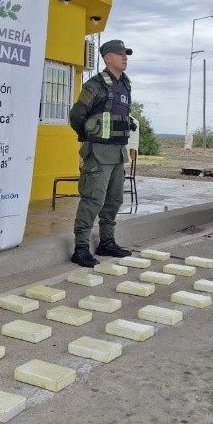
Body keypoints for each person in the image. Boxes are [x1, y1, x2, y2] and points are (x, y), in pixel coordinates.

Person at [68, 39, 137, 267]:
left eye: (126, 53)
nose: (125, 57)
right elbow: (77, 115)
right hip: (98, 153)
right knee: (92, 200)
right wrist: (87, 136)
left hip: (118, 153)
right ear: (107, 58)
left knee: (114, 200)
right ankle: (80, 248)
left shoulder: (125, 84)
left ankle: (106, 242)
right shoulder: (94, 85)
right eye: (120, 54)